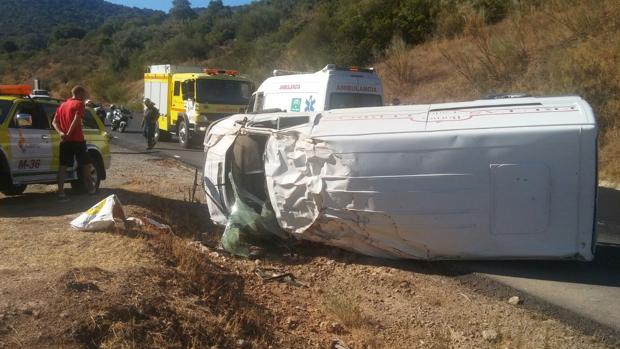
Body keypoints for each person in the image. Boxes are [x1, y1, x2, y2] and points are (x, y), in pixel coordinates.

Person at [52, 85, 94, 200]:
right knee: (85, 165)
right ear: (80, 93)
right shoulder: (79, 104)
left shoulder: (62, 105)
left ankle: (61, 193)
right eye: (83, 94)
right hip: (77, 140)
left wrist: (61, 133)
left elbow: (54, 122)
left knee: (62, 167)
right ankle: (91, 189)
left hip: (64, 141)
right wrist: (70, 133)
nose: (84, 96)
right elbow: (76, 120)